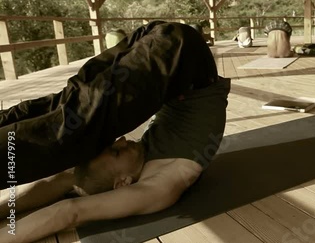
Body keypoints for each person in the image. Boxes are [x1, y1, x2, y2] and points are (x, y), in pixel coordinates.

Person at [0, 21, 230, 243]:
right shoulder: (159, 185)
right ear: (123, 182)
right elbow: (69, 211)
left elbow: (63, 181)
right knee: (75, 128)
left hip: (168, 51)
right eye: (116, 151)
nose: (120, 140)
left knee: (62, 107)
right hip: (181, 56)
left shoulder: (122, 174)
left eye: (112, 147)